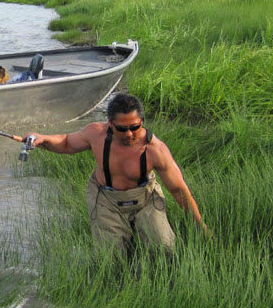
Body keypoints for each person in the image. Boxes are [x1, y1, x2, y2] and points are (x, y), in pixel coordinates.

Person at [24, 92, 207, 257]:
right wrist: (42, 139)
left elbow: (178, 190)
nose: (129, 134)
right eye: (121, 128)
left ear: (142, 122)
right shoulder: (96, 134)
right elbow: (65, 142)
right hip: (105, 198)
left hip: (145, 197)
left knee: (164, 250)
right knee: (110, 258)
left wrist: (200, 226)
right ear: (110, 123)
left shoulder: (156, 150)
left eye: (135, 127)